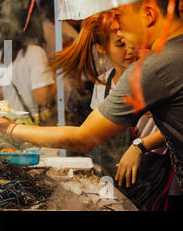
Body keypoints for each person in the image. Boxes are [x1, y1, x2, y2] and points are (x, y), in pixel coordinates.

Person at [0, 0, 183, 209]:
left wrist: (8, 128)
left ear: (149, 14)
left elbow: (84, 137)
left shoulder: (154, 68)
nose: (117, 27)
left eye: (120, 16)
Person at [48, 13, 172, 210]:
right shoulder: (103, 84)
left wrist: (139, 146)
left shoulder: (151, 77)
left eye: (128, 42)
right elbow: (93, 136)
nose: (129, 50)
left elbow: (175, 128)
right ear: (101, 47)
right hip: (114, 179)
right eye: (120, 45)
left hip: (153, 175)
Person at [0, 0, 55, 125]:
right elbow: (42, 98)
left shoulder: (2, 56)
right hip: (35, 128)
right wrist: (55, 78)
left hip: (12, 125)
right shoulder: (35, 53)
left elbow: (3, 95)